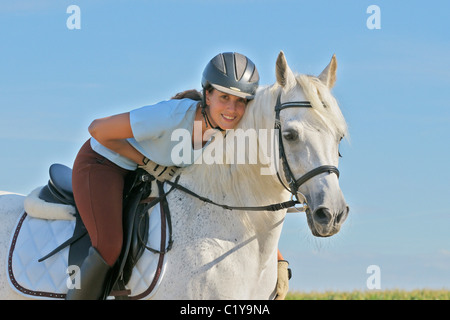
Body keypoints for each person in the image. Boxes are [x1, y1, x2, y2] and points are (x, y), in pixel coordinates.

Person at [66, 52, 289, 300]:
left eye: (240, 101)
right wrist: (148, 163)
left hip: (144, 172)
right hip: (102, 162)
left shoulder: (227, 133)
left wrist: (278, 259)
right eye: (224, 97)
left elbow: (239, 209)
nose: (232, 109)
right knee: (109, 245)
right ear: (208, 95)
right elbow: (97, 129)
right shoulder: (171, 116)